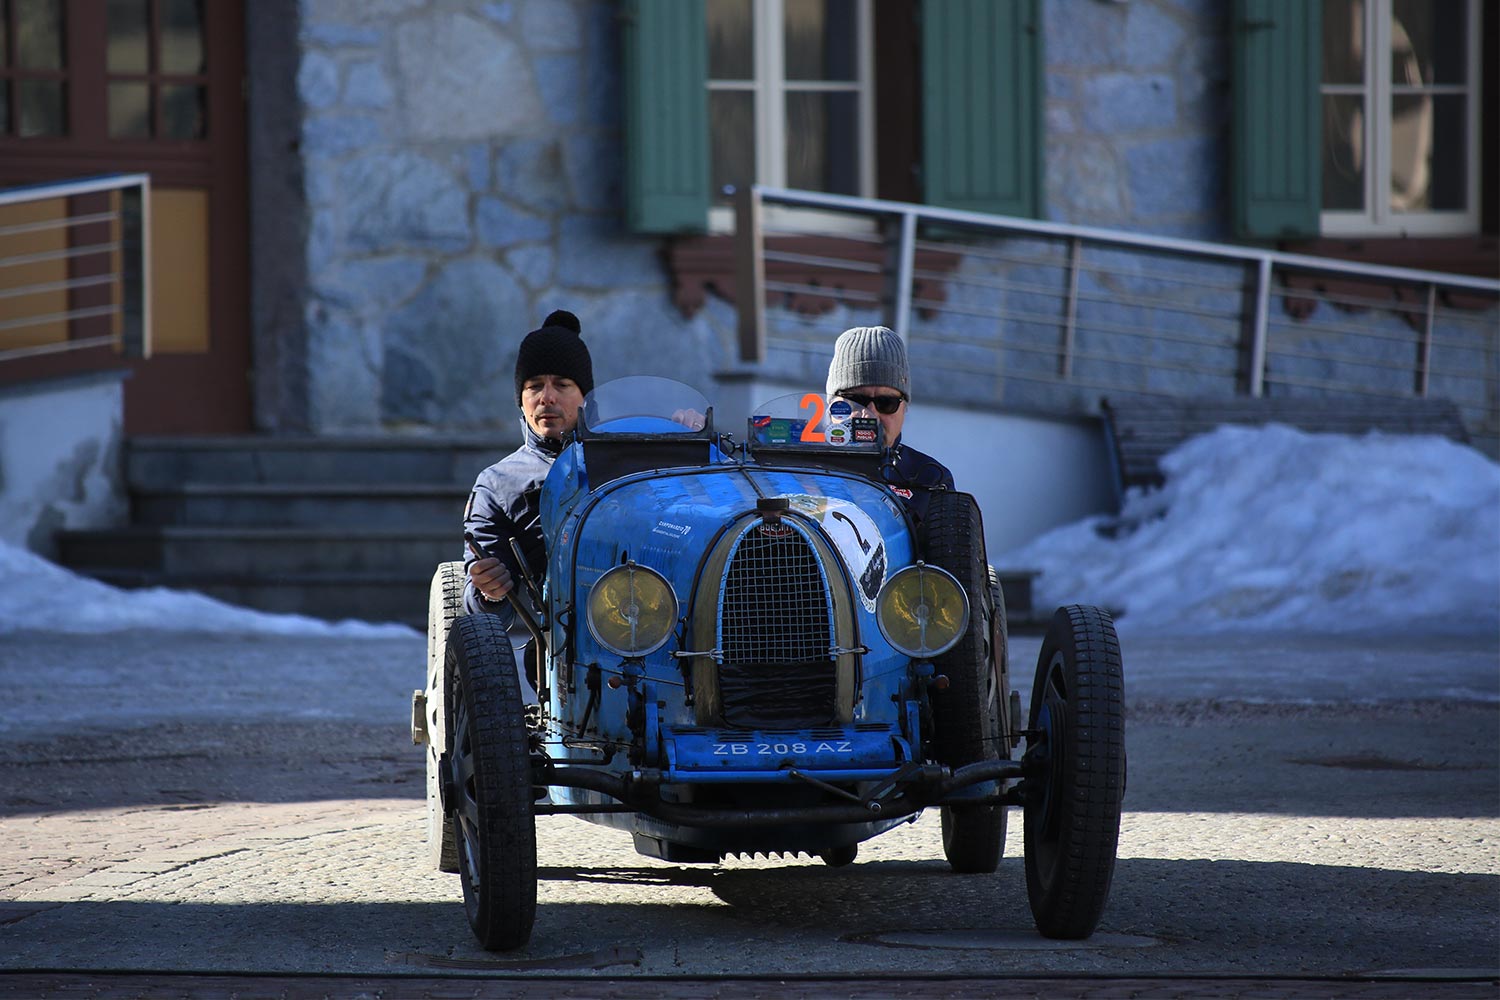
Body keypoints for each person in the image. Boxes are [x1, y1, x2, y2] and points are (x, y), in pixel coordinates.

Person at [464, 309, 593, 620]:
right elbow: (487, 613)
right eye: (534, 386)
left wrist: (689, 442)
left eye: (562, 385)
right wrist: (489, 591)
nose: (546, 397)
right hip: (560, 648)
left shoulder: (631, 458)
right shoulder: (497, 484)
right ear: (520, 399)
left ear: (586, 396)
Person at [825, 325, 954, 523]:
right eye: (855, 401)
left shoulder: (930, 478)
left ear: (905, 408)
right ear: (831, 405)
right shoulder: (793, 466)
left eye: (886, 403)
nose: (870, 414)